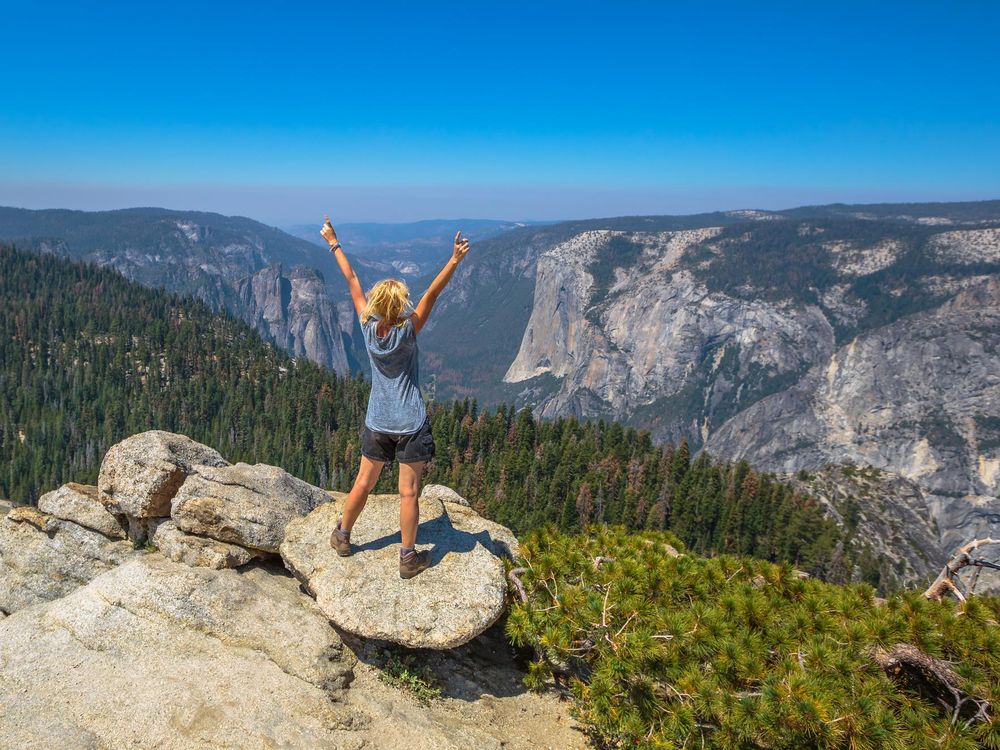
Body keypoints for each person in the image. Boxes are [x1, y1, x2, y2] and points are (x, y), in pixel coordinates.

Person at [320, 215, 470, 579]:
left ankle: (343, 535)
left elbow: (352, 279)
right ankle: (407, 557)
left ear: (375, 304)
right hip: (410, 424)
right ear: (400, 305)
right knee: (408, 494)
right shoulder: (409, 331)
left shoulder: (368, 328)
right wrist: (453, 260)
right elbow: (433, 292)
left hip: (378, 422)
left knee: (362, 483)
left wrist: (333, 242)